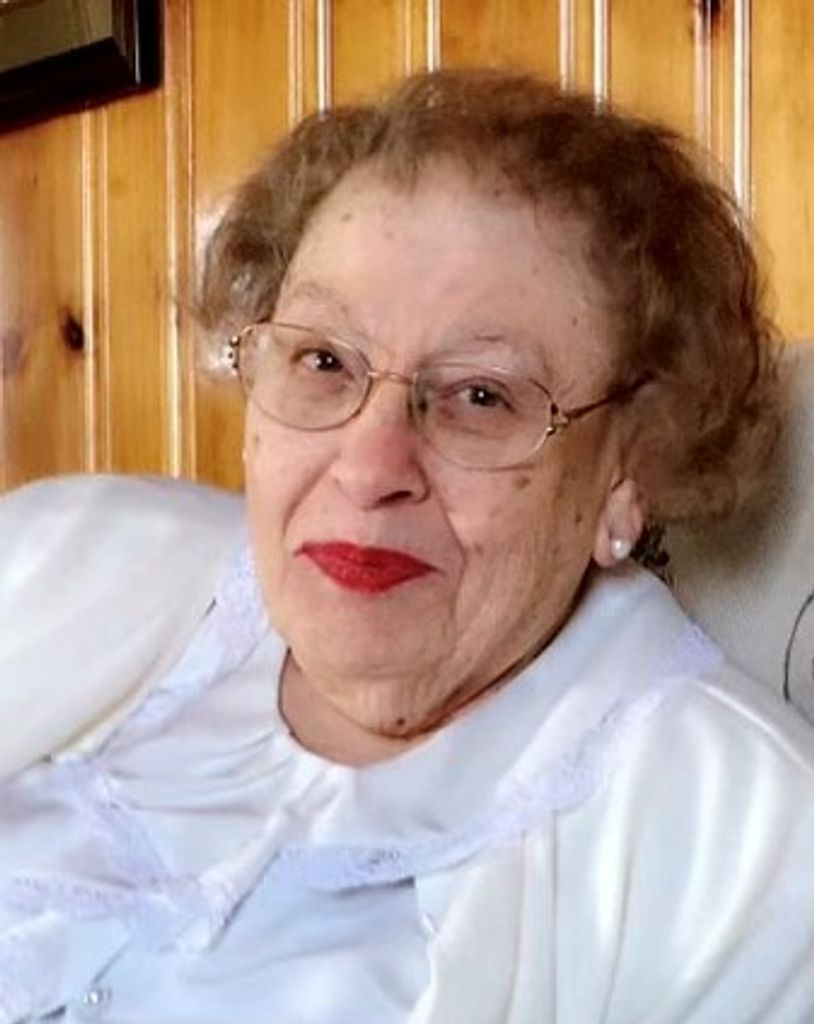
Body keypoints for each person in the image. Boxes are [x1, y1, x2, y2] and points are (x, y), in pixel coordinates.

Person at [1, 67, 813, 1023]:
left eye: (481, 396)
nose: (368, 466)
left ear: (627, 473)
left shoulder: (748, 853)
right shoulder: (73, 553)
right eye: (323, 360)